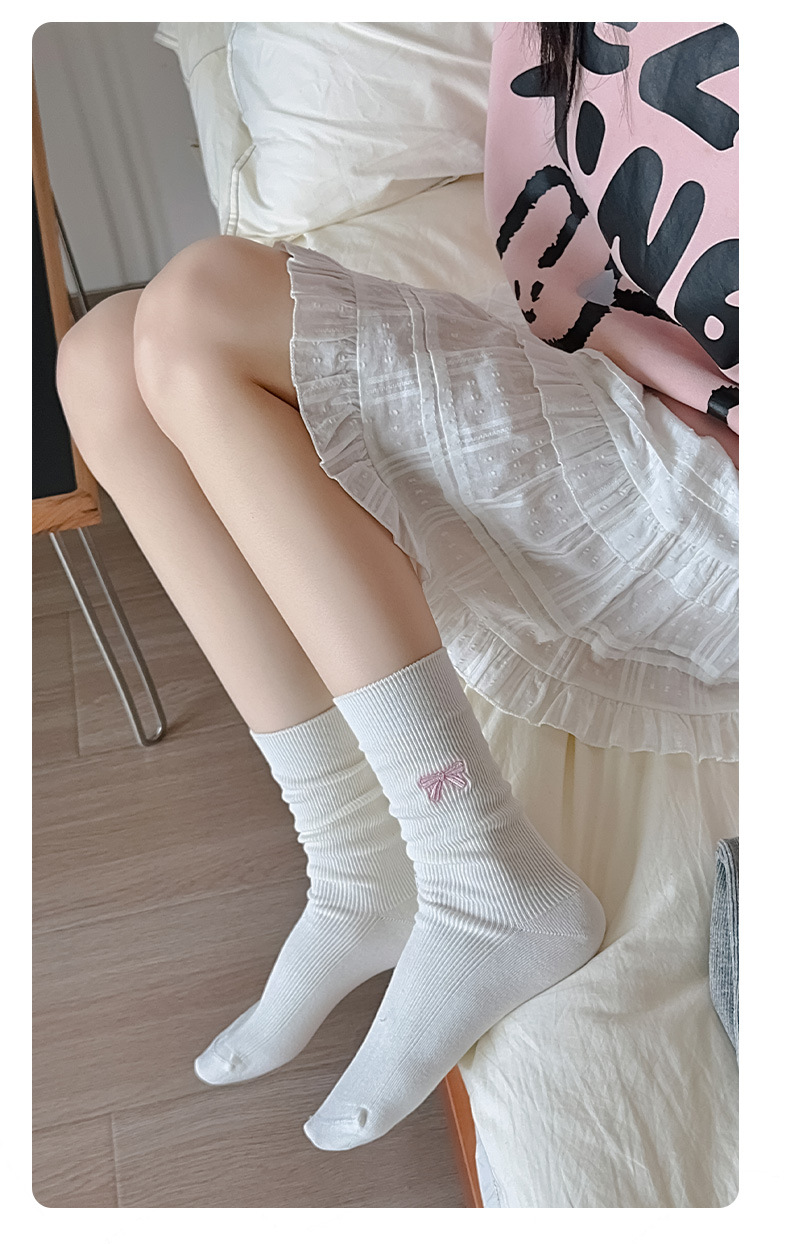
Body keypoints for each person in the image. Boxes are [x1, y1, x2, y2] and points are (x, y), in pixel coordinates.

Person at [54, 21, 738, 1152]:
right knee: (103, 360)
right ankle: (354, 856)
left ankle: (482, 874)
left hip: (728, 499)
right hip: (622, 388)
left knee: (199, 308)